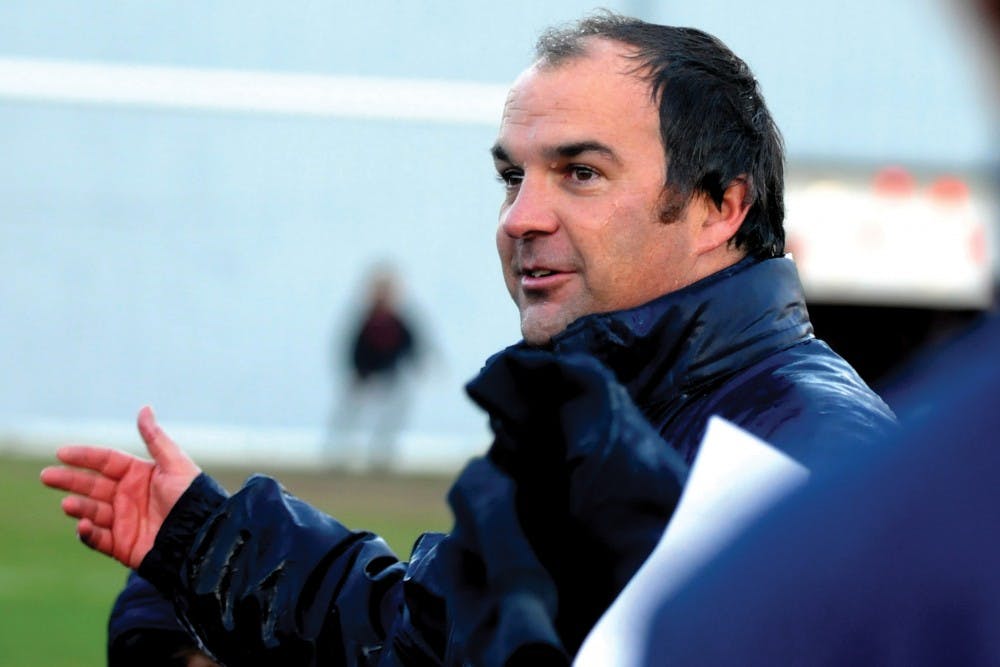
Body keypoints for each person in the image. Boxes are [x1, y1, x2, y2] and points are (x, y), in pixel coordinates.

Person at [41, 12, 896, 666]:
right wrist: (206, 540)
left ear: (722, 207)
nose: (521, 217)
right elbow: (419, 638)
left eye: (581, 173)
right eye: (510, 176)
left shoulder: (808, 453)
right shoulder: (586, 420)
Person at [326, 266, 420, 470]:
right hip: (364, 376)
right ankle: (338, 455)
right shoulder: (366, 319)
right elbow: (354, 347)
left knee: (391, 415)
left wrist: (416, 363)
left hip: (389, 376)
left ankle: (380, 457)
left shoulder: (398, 321)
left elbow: (410, 345)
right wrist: (359, 372)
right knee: (349, 414)